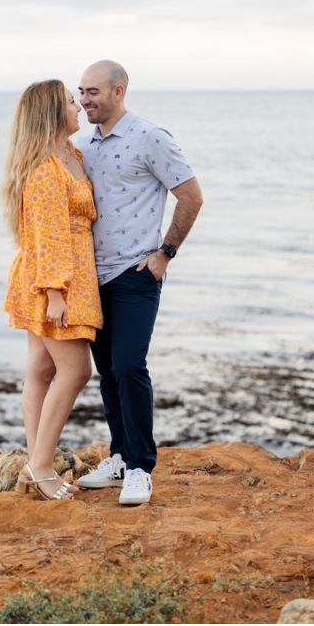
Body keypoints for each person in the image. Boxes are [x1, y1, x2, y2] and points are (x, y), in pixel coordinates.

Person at [75, 61, 203, 508]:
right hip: (92, 276)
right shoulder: (83, 145)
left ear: (118, 91)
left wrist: (164, 254)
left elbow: (191, 195)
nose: (85, 99)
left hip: (135, 274)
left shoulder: (151, 136)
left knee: (130, 366)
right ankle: (118, 456)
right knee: (108, 372)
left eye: (93, 91)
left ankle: (141, 468)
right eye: (81, 92)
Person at [2, 80, 101, 501]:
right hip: (54, 279)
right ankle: (41, 466)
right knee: (76, 371)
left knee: (41, 372)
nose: (78, 105)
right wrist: (55, 293)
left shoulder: (72, 155)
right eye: (68, 101)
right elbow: (49, 234)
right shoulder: (46, 169)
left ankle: (35, 463)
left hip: (61, 275)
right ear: (51, 113)